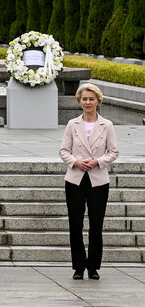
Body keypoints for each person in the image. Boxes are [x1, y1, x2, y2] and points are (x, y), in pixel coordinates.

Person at [59, 83, 119, 280]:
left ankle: (93, 266)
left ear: (98, 101)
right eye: (84, 99)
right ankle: (78, 266)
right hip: (75, 179)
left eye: (91, 99)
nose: (88, 102)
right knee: (75, 224)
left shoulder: (107, 125)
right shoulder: (72, 124)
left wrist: (98, 161)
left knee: (96, 224)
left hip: (98, 181)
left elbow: (113, 152)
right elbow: (64, 151)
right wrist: (76, 162)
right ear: (79, 101)